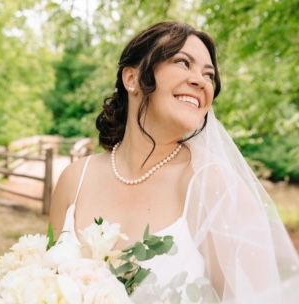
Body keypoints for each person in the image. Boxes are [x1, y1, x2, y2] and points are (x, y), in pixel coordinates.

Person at [50, 22, 299, 303]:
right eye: (183, 62)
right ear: (132, 78)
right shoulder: (74, 179)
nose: (201, 81)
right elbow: (46, 283)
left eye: (209, 75)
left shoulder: (211, 183)